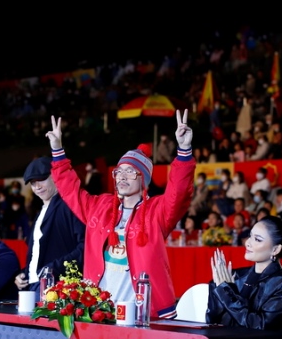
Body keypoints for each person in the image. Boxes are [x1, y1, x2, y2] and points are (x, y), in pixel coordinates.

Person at [46, 110, 194, 319]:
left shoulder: (157, 212)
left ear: (144, 179)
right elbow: (71, 191)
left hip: (143, 313)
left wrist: (184, 151)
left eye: (130, 171)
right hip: (100, 310)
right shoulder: (101, 207)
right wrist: (57, 151)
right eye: (119, 171)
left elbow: (179, 193)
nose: (122, 176)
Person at [205, 215, 282, 332]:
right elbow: (212, 322)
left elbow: (260, 327)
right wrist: (218, 287)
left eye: (257, 239)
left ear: (275, 250)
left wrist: (227, 293)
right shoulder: (234, 276)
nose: (247, 243)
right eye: (250, 236)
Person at [13, 157, 85, 292]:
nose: (37, 187)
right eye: (33, 183)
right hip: (34, 286)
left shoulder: (69, 206)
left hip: (60, 287)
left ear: (55, 176)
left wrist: (53, 268)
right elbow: (38, 255)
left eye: (41, 180)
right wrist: (25, 273)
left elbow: (86, 248)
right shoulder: (41, 212)